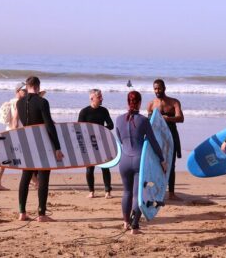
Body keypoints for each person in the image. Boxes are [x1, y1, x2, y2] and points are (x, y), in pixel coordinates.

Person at [116, 91, 167, 234]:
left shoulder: (119, 119)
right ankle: (135, 226)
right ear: (139, 103)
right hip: (139, 161)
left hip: (124, 161)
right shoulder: (144, 121)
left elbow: (120, 139)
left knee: (126, 192)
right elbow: (153, 142)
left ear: (128, 102)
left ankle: (126, 222)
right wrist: (162, 159)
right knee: (138, 195)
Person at [14, 76, 64, 222]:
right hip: (42, 143)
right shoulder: (43, 102)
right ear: (37, 86)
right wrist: (57, 147)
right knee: (43, 177)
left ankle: (22, 212)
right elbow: (49, 125)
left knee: (25, 176)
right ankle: (41, 214)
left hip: (27, 143)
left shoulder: (19, 103)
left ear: (27, 86)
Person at [147, 79, 184, 200]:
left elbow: (180, 118)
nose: (157, 91)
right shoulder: (151, 104)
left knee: (171, 164)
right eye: (155, 89)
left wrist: (168, 119)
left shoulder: (174, 102)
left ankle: (171, 193)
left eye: (159, 88)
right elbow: (148, 122)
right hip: (157, 136)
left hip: (171, 135)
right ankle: (157, 190)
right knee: (156, 163)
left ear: (164, 88)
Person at [78, 89, 114, 199]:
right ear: (92, 98)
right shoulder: (84, 112)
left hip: (102, 142)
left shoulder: (104, 111)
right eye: (99, 97)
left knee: (105, 167)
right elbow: (78, 129)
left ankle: (107, 191)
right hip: (89, 144)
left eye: (101, 96)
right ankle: (91, 191)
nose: (102, 99)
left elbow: (111, 125)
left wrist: (100, 130)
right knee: (90, 168)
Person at [0, 82, 26, 191]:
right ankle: (35, 181)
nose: (25, 92)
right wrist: (16, 133)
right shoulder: (19, 103)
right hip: (16, 133)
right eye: (23, 90)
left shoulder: (12, 102)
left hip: (9, 132)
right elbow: (15, 121)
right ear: (17, 91)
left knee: (4, 159)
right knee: (25, 158)